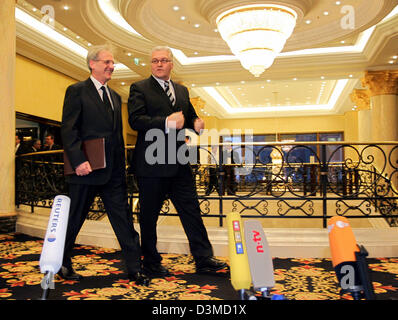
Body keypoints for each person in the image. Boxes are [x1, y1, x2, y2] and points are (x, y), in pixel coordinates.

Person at [128, 46, 228, 277]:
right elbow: (135, 120)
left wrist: (197, 123)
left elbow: (190, 116)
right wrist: (165, 122)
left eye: (163, 60)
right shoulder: (139, 88)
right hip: (152, 164)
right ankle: (151, 263)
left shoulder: (182, 90)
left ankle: (203, 259)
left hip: (179, 162)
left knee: (191, 211)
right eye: (154, 61)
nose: (159, 64)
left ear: (172, 64)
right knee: (149, 217)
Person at [60, 44, 149, 285]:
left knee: (124, 220)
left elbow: (117, 137)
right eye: (107, 62)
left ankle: (134, 268)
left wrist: (123, 168)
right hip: (85, 171)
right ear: (92, 64)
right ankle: (62, 263)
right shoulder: (76, 91)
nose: (112, 66)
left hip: (113, 174)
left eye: (112, 63)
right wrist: (79, 161)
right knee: (74, 220)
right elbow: (69, 130)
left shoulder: (115, 96)